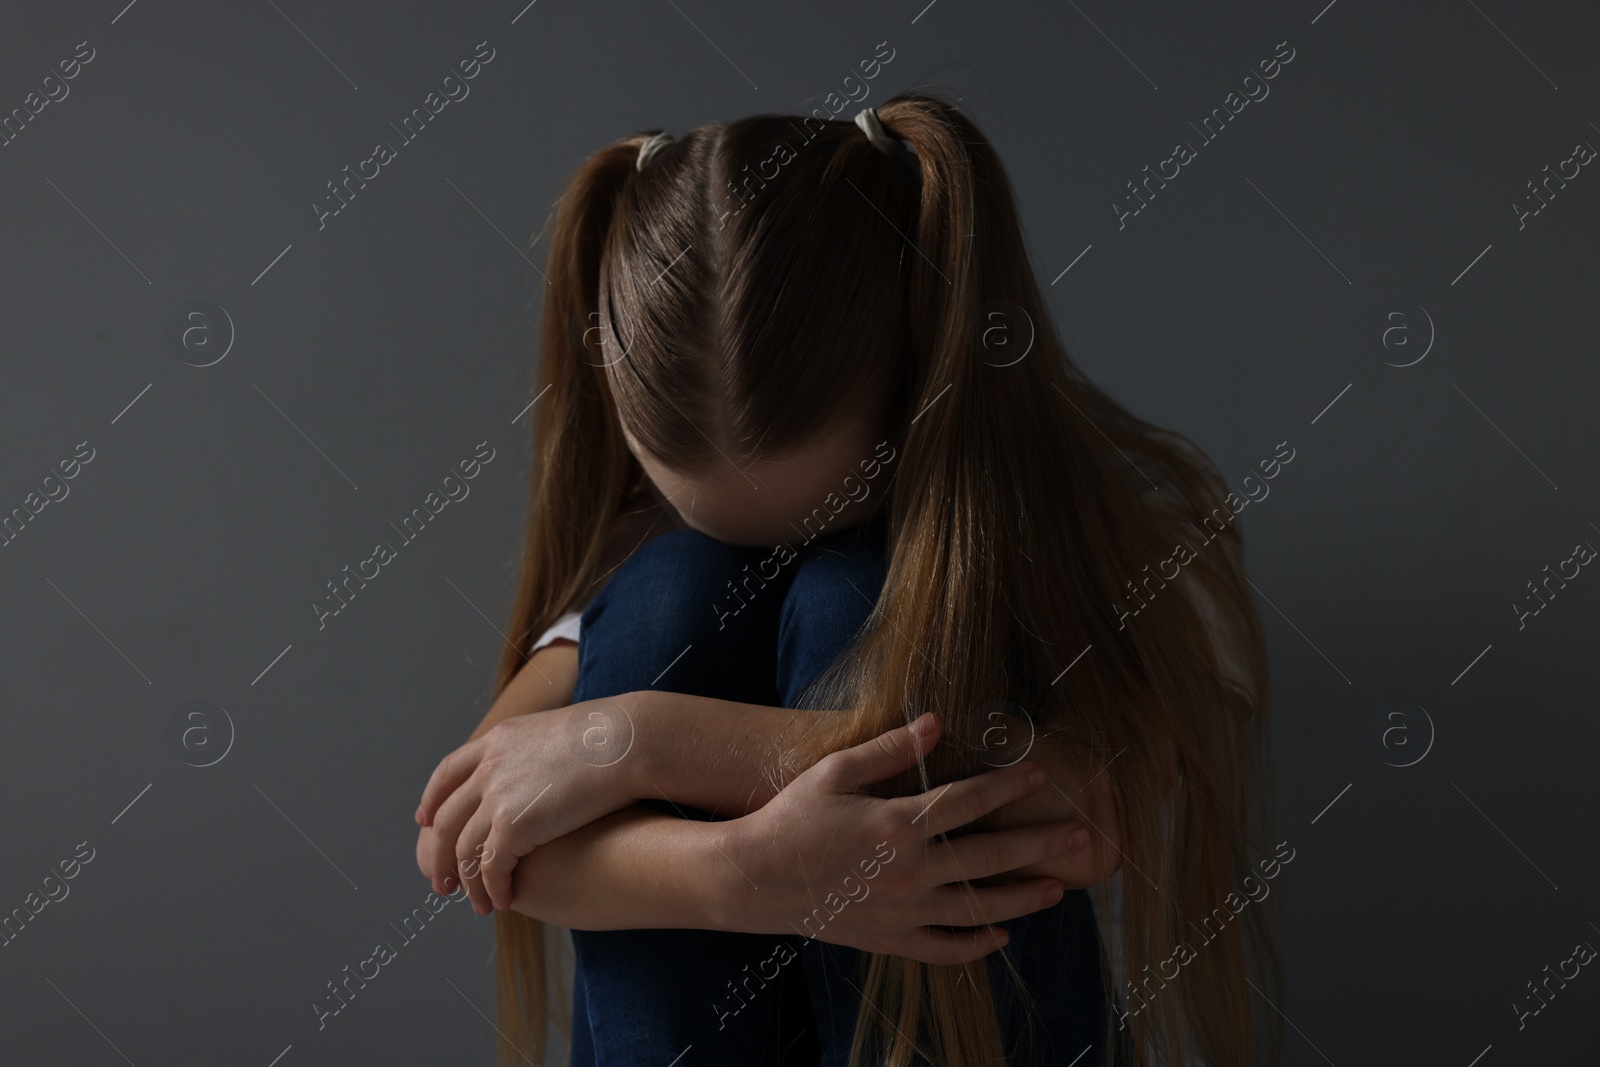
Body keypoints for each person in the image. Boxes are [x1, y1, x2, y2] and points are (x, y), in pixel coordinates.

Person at [415, 92, 1283, 1067]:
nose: (772, 555)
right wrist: (740, 871)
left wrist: (641, 743)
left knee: (854, 599)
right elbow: (473, 837)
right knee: (677, 592)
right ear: (622, 412)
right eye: (722, 521)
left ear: (917, 386)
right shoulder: (644, 561)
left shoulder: (1054, 529)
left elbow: (1077, 817)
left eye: (822, 513)